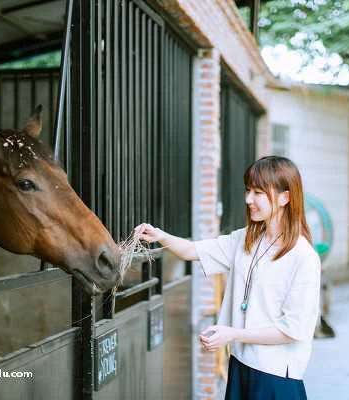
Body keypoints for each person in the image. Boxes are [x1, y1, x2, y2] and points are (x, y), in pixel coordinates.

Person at [134, 156, 321, 400]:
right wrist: (159, 235)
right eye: (248, 191)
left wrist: (233, 334)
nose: (248, 200)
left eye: (258, 193)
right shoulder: (246, 239)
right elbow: (193, 251)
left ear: (285, 197)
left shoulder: (303, 256)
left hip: (275, 375)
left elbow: (292, 330)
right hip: (241, 363)